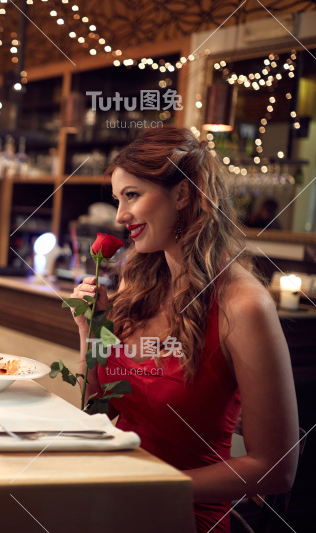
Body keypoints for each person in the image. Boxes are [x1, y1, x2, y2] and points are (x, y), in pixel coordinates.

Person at [70, 127, 298, 532]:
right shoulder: (137, 281)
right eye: (118, 199)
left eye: (132, 196)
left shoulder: (244, 306)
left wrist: (152, 485)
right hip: (115, 498)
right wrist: (92, 328)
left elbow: (276, 470)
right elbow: (100, 403)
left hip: (182, 514)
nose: (121, 216)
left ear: (183, 194)